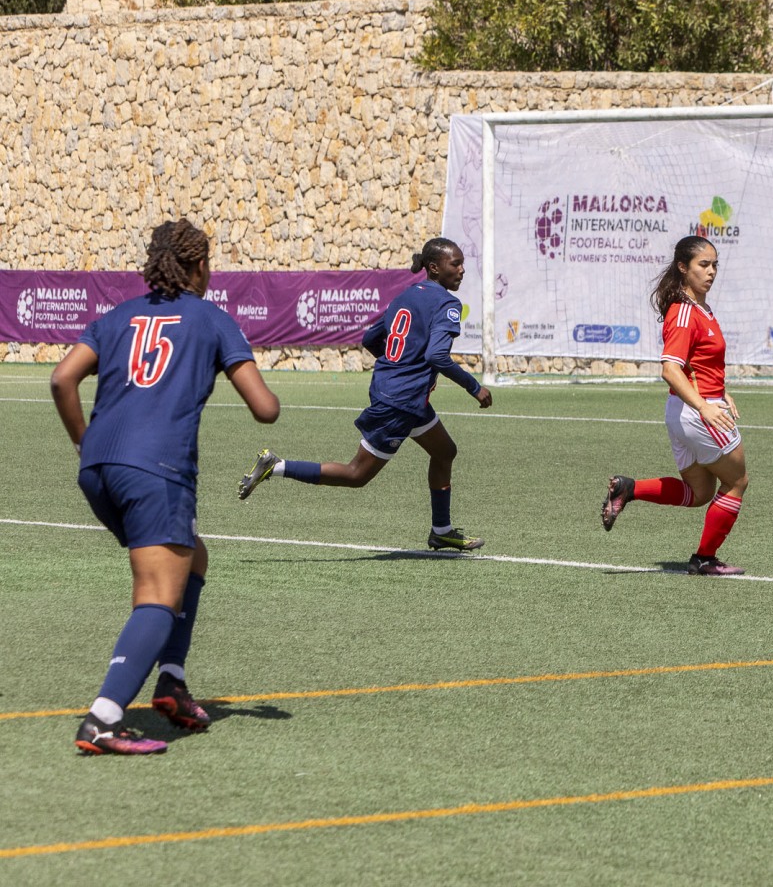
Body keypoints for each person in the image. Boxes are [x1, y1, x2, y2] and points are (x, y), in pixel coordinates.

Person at [51, 219, 281, 755]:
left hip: (98, 467)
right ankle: (103, 720)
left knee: (192, 556)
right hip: (156, 469)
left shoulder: (117, 316)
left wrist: (84, 442)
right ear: (199, 265)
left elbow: (62, 378)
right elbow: (265, 409)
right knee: (157, 595)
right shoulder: (211, 317)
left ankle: (171, 680)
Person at [237, 237, 492, 550]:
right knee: (356, 474)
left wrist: (400, 367)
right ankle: (276, 466)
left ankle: (441, 530)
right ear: (434, 268)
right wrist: (474, 387)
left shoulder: (405, 296)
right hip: (401, 402)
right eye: (456, 264)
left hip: (398, 392)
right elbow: (437, 356)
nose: (462, 270)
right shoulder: (446, 304)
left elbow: (371, 337)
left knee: (445, 451)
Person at [601, 236, 749, 576]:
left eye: (714, 265)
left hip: (688, 410)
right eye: (703, 265)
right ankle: (704, 558)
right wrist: (705, 406)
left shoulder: (699, 308)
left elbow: (698, 364)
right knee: (737, 482)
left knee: (699, 492)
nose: (711, 272)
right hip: (698, 413)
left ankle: (629, 488)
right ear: (683, 267)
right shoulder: (684, 312)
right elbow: (670, 370)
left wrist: (721, 391)